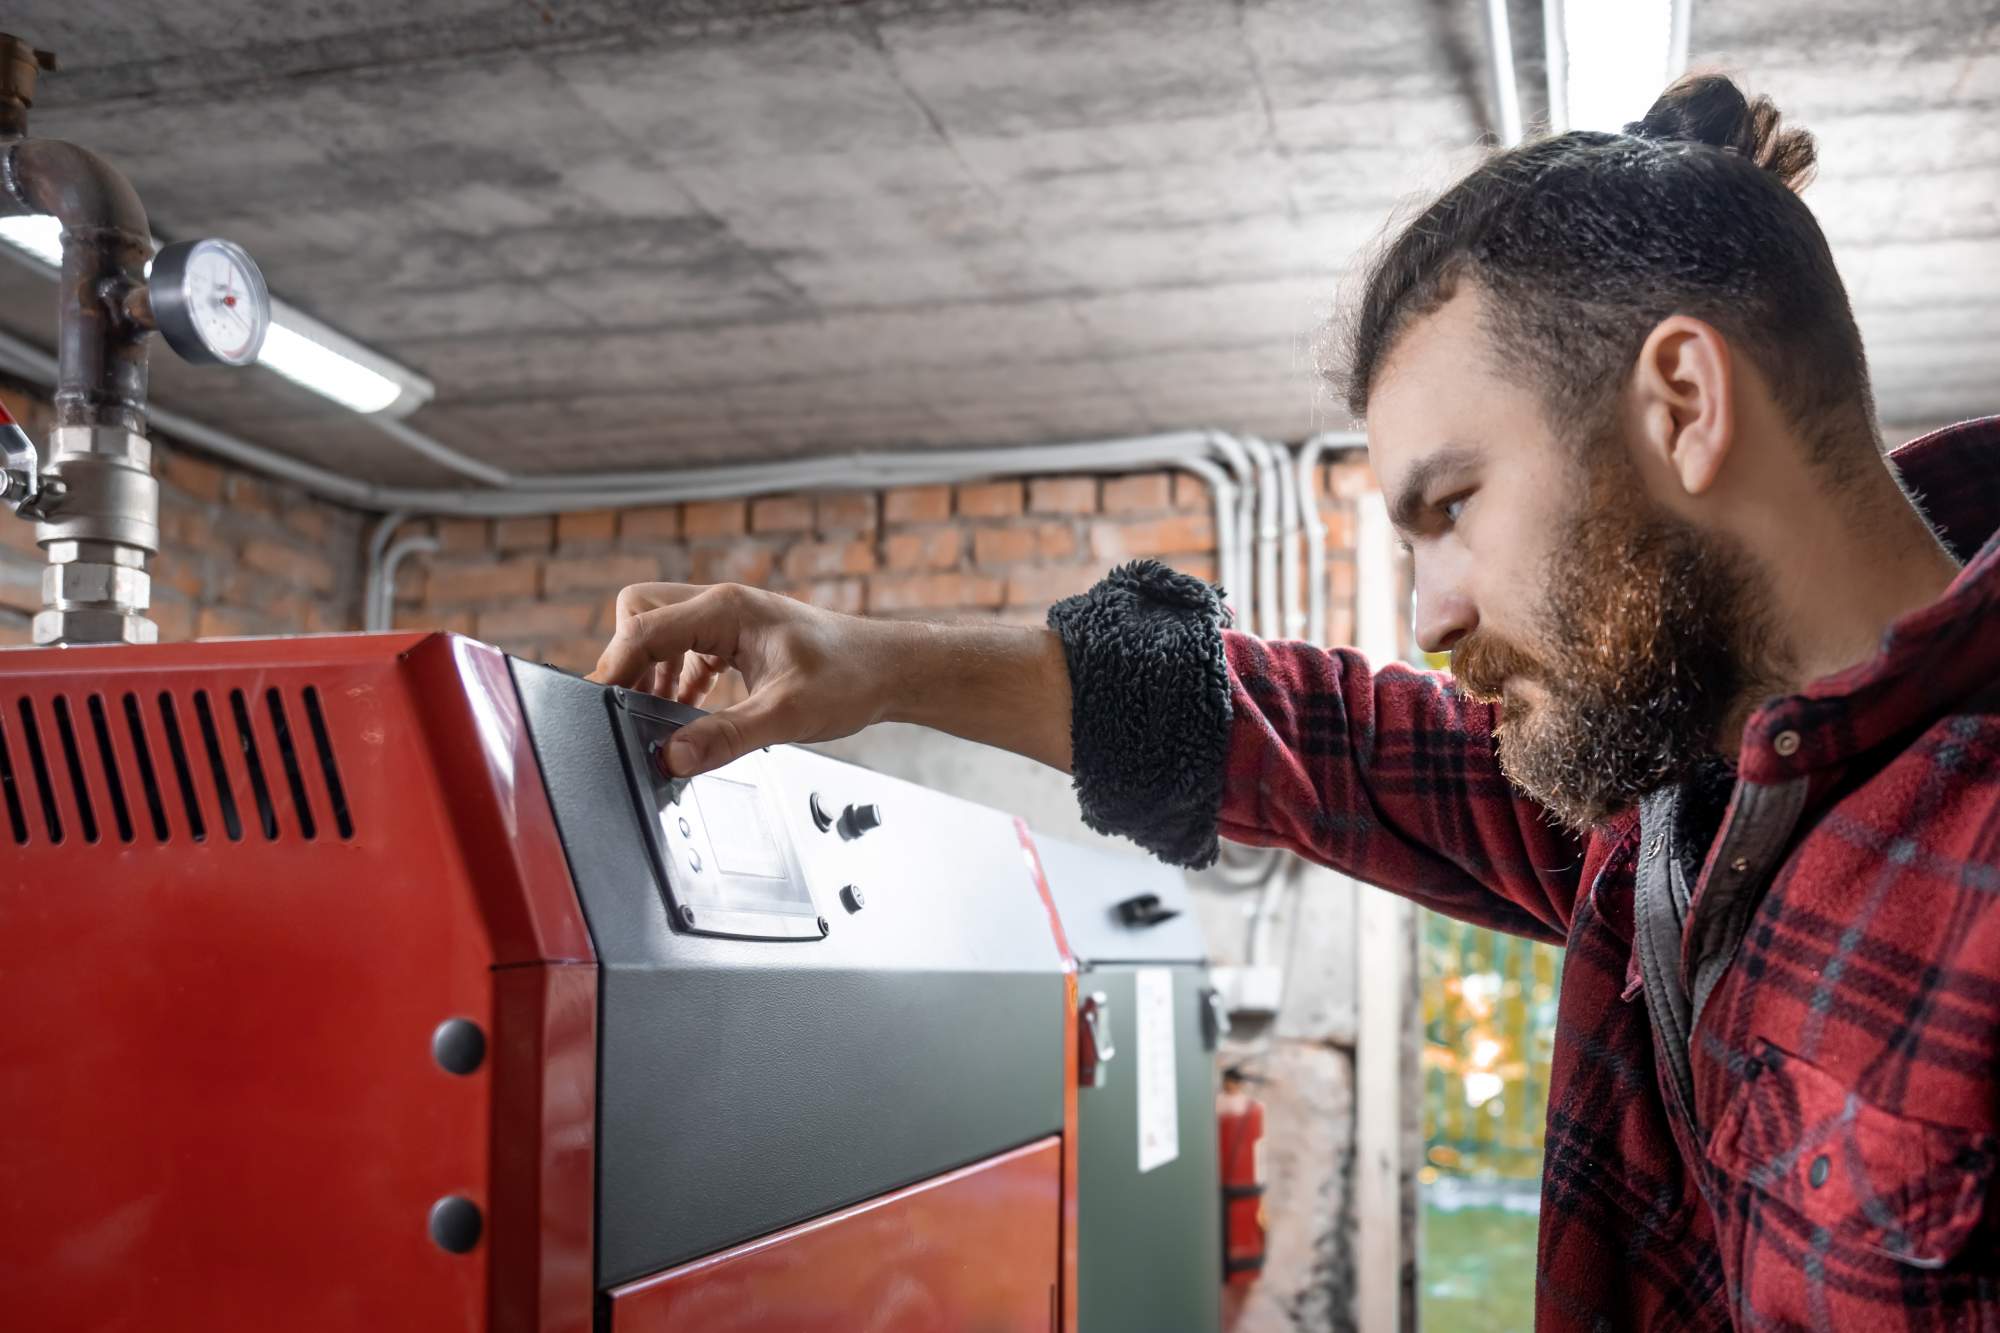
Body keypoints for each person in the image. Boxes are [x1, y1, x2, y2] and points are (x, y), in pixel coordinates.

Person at [591, 75, 2000, 1330]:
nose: (1431, 615)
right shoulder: (1677, 802)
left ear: (1682, 405)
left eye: (1453, 505)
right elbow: (1322, 738)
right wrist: (876, 663)